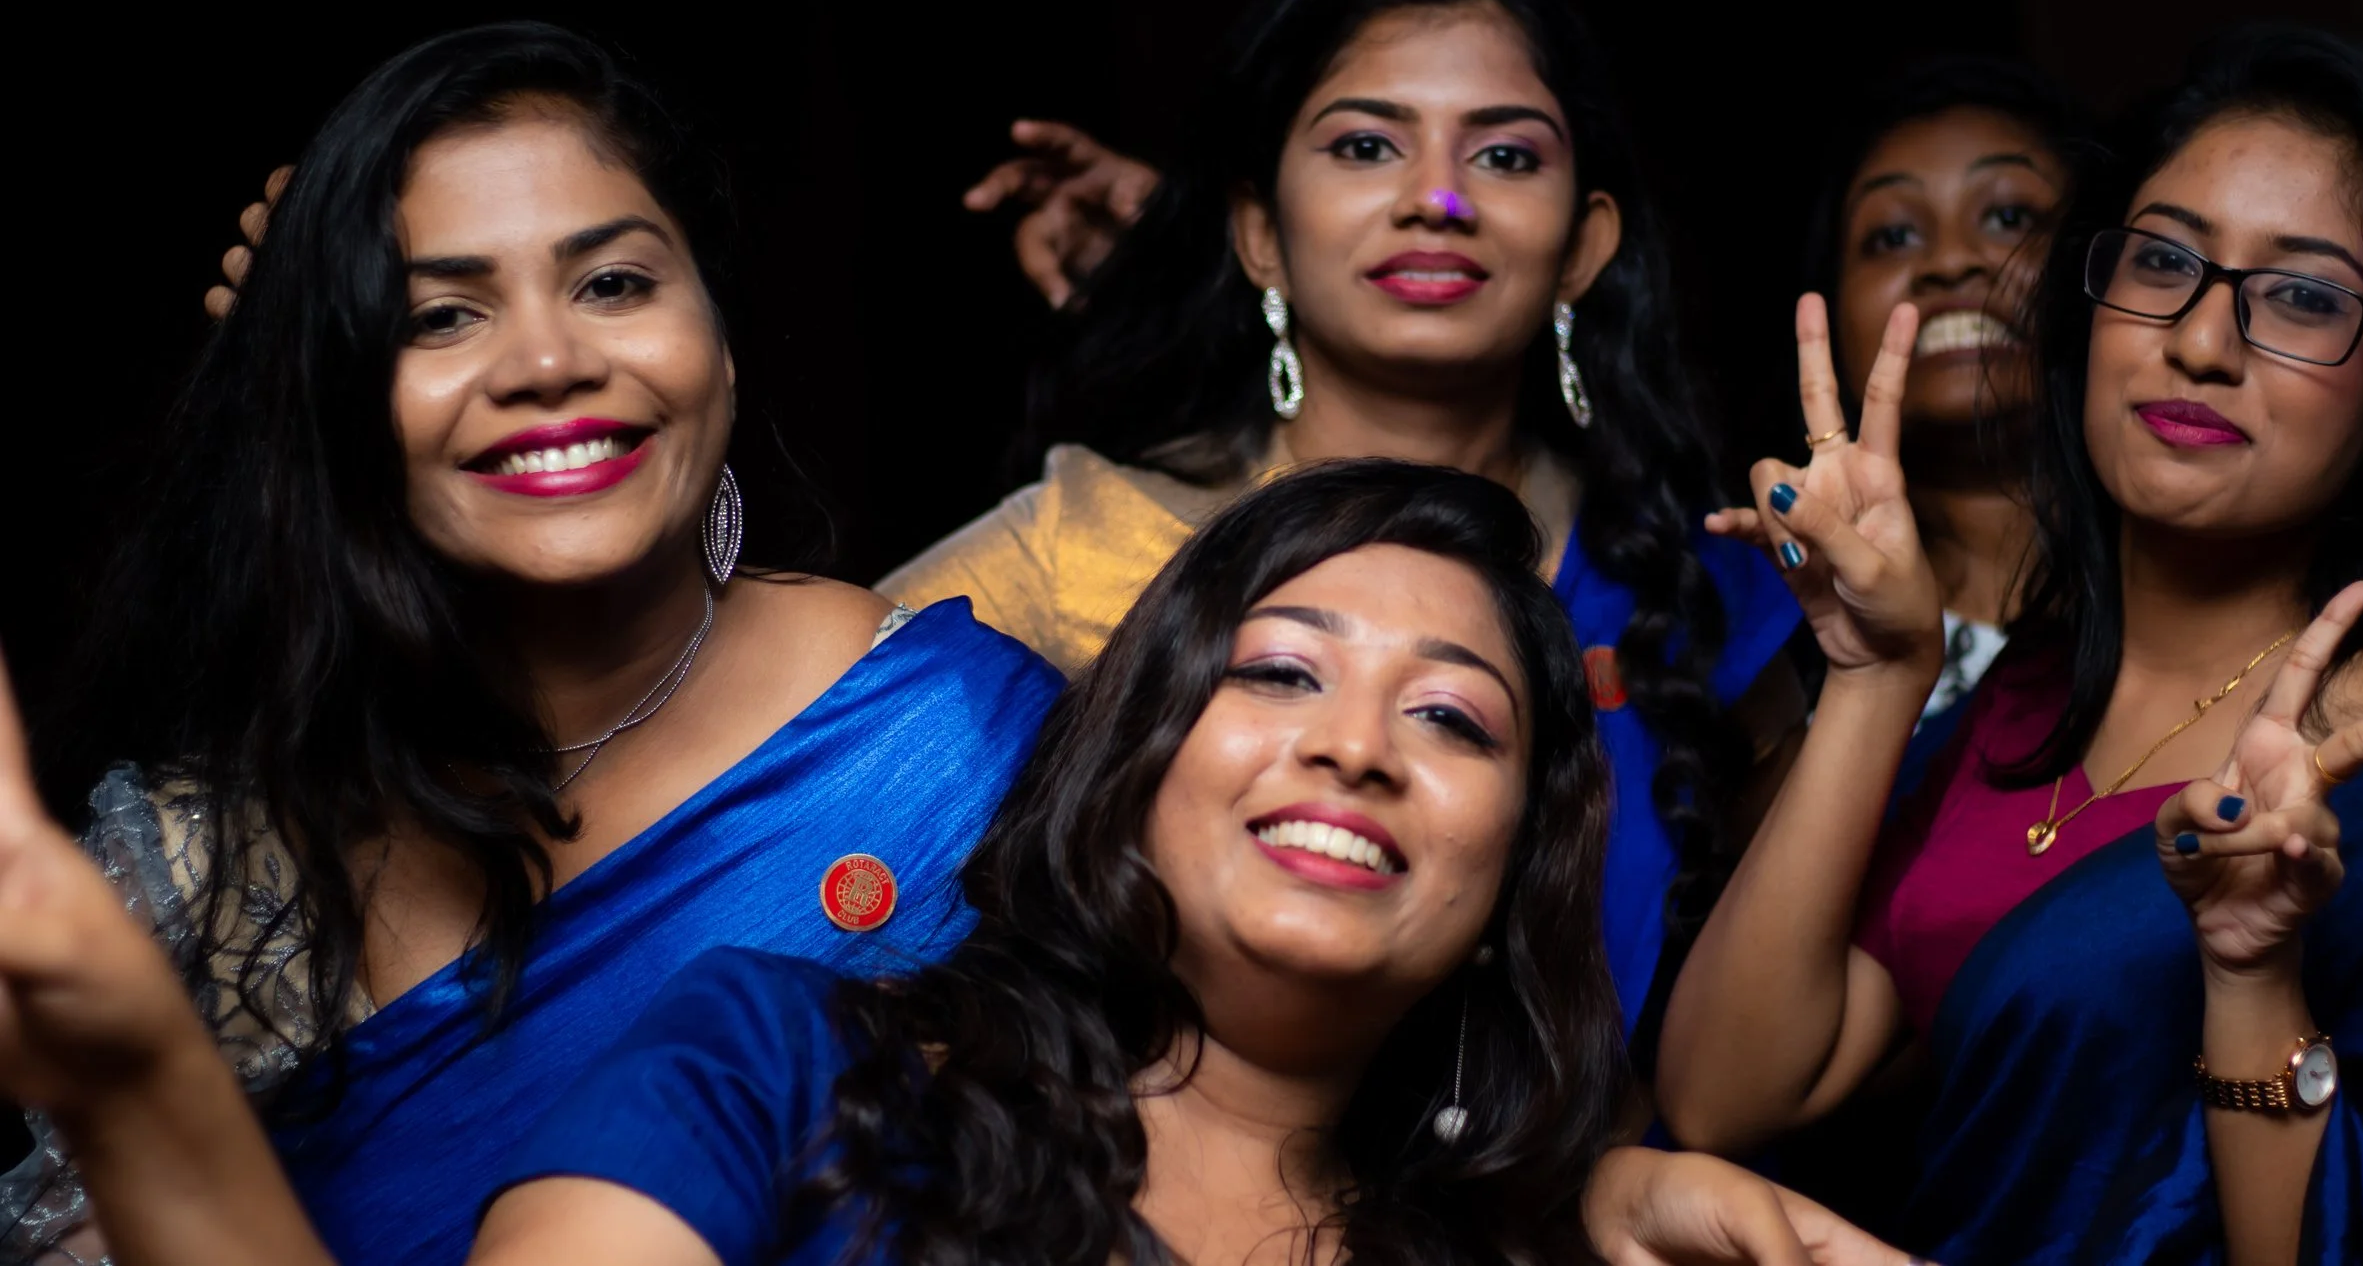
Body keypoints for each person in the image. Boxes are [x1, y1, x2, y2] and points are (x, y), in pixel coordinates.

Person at [0, 465, 1913, 1265]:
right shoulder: (774, 1065)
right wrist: (138, 1071)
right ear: (1134, 753)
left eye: (1456, 719)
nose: (1354, 742)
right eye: (1281, 671)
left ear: (1517, 863)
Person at [2, 23, 1064, 1266]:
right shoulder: (210, 871)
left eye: (612, 283)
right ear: (337, 404)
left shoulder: (962, 748)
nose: (549, 362)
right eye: (440, 315)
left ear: (719, 335)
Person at [1658, 26, 2363, 1262]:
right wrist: (1879, 670)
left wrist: (2253, 977)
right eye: (2162, 261)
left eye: (2303, 296)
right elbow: (1724, 1095)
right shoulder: (2011, 711)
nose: (2201, 341)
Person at [882, 0, 1807, 1049]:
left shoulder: (1697, 585)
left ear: (1582, 245)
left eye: (1506, 157)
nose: (1437, 200)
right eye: (1366, 146)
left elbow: (1763, 1035)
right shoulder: (1078, 544)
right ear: (1261, 232)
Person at [1800, 58, 2097, 801]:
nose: (1951, 260)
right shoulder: (1784, 637)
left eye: (2008, 217)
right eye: (1892, 235)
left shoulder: (2185, 609)